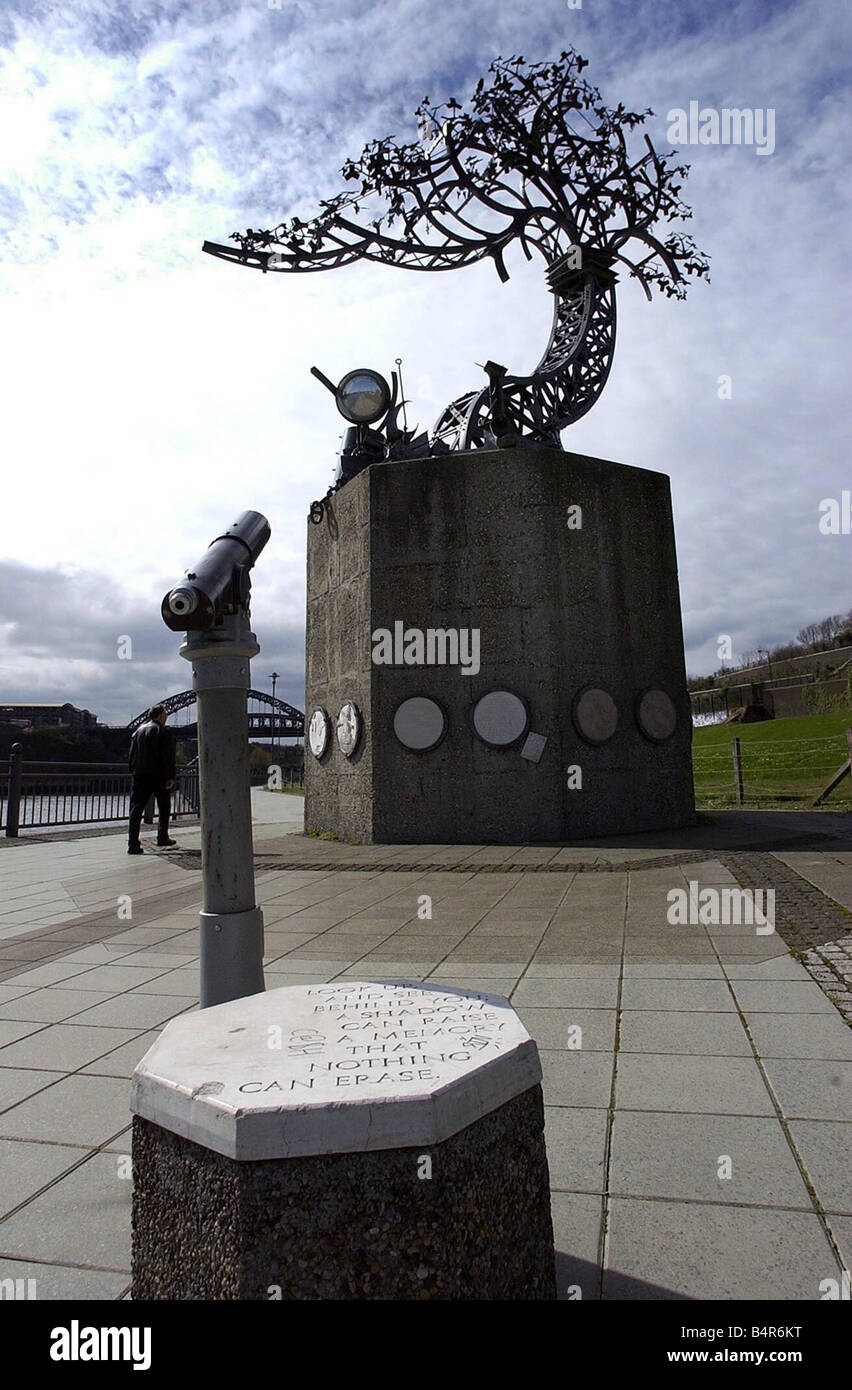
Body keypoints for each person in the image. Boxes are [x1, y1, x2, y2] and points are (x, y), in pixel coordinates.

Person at [128, 704, 177, 854]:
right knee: (164, 807)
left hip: (140, 775)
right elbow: (167, 756)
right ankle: (162, 837)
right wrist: (170, 776)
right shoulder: (163, 731)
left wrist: (134, 771)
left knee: (136, 810)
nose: (166, 716)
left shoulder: (138, 732)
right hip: (158, 776)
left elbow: (131, 755)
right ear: (160, 715)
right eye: (165, 714)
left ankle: (133, 844)